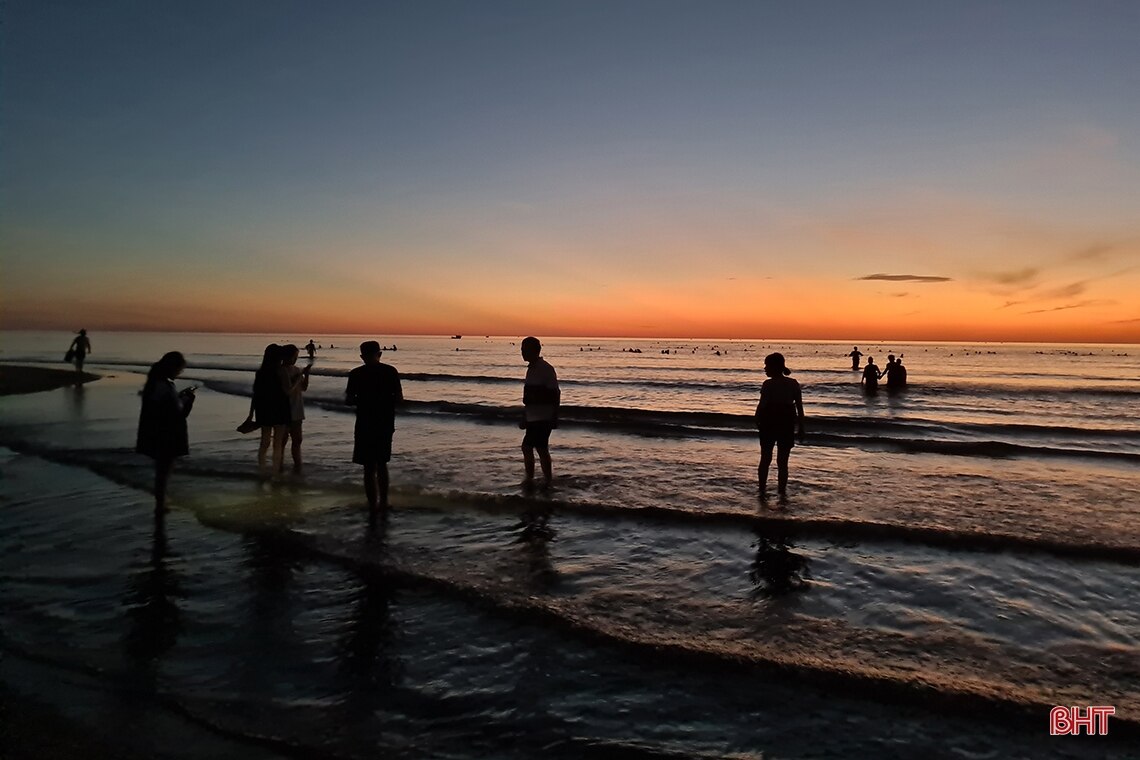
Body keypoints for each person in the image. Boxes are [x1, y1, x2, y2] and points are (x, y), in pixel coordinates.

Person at [346, 341, 403, 514]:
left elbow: (349, 400)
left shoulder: (356, 374)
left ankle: (372, 504)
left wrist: (364, 400)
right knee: (382, 464)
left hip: (364, 422)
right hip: (385, 422)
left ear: (362, 356)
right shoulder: (390, 371)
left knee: (368, 467)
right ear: (380, 354)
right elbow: (399, 399)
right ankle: (384, 502)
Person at [136, 352, 195, 512]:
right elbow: (175, 410)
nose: (180, 373)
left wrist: (180, 397)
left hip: (159, 431)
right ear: (173, 367)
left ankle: (160, 502)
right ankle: (160, 504)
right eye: (180, 369)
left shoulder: (156, 383)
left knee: (162, 469)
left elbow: (165, 405)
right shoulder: (163, 385)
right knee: (164, 469)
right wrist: (186, 400)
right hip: (165, 433)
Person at [754, 352, 805, 498]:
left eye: (766, 365)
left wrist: (757, 419)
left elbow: (762, 405)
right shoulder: (793, 384)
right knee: (783, 461)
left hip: (769, 422)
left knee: (765, 459)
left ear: (774, 367)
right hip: (786, 422)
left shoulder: (768, 384)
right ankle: (781, 492)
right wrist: (801, 427)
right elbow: (800, 408)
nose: (764, 368)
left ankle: (762, 490)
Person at [520, 336, 560, 488]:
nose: (522, 352)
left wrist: (554, 416)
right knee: (531, 448)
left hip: (543, 416)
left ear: (533, 351)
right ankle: (534, 479)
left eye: (524, 349)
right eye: (521, 349)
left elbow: (555, 393)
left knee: (538, 448)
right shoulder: (531, 369)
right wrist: (525, 416)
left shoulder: (546, 369)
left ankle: (544, 480)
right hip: (533, 416)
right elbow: (528, 397)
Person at [251, 344, 293, 475]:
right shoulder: (281, 371)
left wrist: (250, 413)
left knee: (264, 442)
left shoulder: (261, 372)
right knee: (278, 442)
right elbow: (288, 391)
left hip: (263, 407)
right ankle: (275, 472)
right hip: (279, 407)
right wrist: (297, 380)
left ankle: (262, 469)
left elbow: (256, 393)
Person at [282, 344, 312, 473]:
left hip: (297, 407)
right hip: (284, 409)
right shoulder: (281, 371)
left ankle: (297, 463)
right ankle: (279, 463)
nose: (295, 359)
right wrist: (300, 376)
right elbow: (288, 390)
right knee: (282, 440)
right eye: (294, 356)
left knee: (297, 439)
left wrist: (307, 375)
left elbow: (303, 388)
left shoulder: (296, 369)